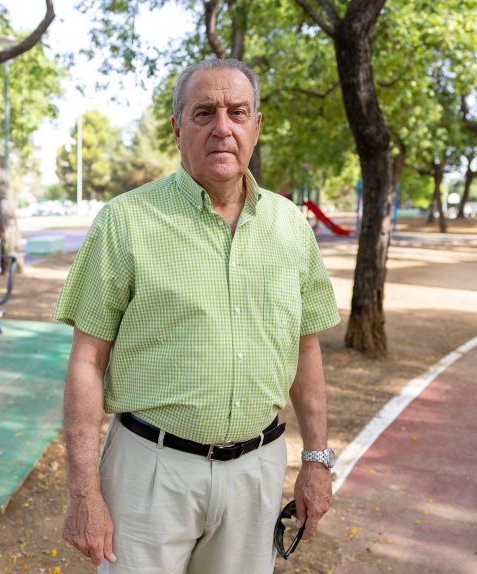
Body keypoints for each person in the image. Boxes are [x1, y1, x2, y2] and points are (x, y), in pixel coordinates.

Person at [52, 58, 340, 573]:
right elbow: (87, 362)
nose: (222, 128)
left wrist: (317, 460)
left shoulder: (291, 227)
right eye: (204, 112)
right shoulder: (125, 222)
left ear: (256, 126)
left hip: (257, 472)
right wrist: (83, 493)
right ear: (177, 127)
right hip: (149, 471)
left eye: (237, 112)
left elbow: (306, 347)